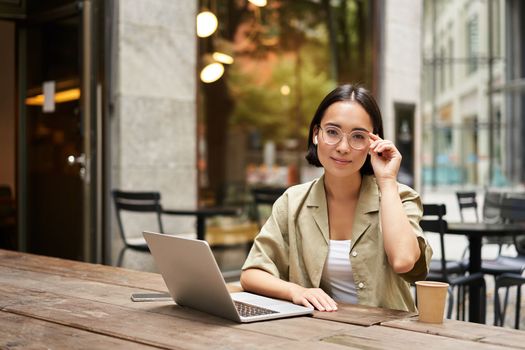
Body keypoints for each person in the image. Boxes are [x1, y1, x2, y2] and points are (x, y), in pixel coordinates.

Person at [240, 84, 433, 312]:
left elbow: (404, 261)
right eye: (332, 132)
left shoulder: (399, 197)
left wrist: (388, 180)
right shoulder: (293, 202)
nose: (343, 147)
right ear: (315, 135)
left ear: (374, 143)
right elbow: (252, 273)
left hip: (387, 335)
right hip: (317, 334)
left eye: (358, 136)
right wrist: (297, 292)